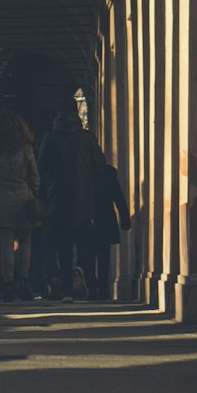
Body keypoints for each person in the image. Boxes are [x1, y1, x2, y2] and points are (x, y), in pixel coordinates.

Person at [0, 112, 41, 302]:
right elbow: (34, 174)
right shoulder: (26, 148)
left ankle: (7, 283)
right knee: (26, 242)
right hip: (24, 197)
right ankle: (23, 282)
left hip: (2, 197)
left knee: (5, 244)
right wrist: (35, 193)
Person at [38, 110, 92, 302]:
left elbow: (40, 167)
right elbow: (98, 167)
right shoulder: (87, 138)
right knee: (84, 242)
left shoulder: (50, 139)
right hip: (84, 199)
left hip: (57, 198)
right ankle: (82, 274)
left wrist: (43, 193)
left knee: (62, 244)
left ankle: (66, 286)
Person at [79, 133, 131, 300]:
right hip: (105, 218)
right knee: (103, 256)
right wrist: (124, 217)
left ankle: (92, 287)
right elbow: (118, 196)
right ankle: (102, 288)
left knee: (87, 255)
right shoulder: (108, 173)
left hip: (86, 218)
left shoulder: (81, 174)